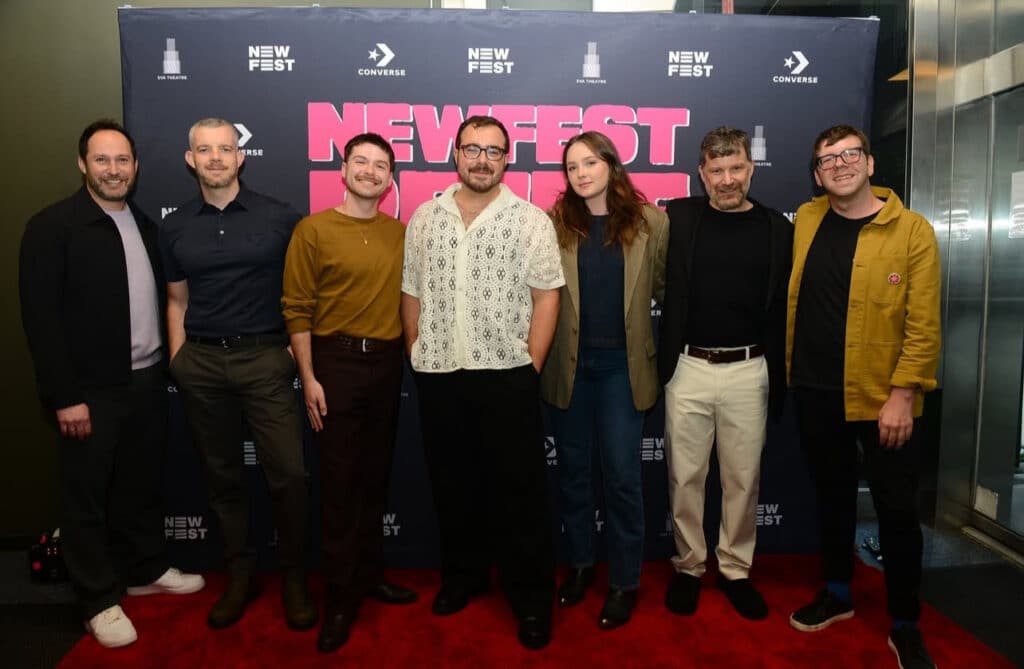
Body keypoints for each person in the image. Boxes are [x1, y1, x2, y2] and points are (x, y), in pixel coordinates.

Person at [19, 119, 204, 648]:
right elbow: (41, 322)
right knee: (86, 498)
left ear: (136, 167)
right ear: (83, 164)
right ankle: (97, 599)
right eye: (102, 159)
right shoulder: (52, 227)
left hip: (145, 380)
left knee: (138, 486)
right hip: (88, 392)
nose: (113, 169)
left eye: (122, 160)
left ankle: (144, 570)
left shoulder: (145, 225)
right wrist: (66, 397)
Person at [400, 115, 564, 650]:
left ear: (506, 159)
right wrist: (416, 349)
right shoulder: (425, 218)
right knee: (453, 486)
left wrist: (529, 366)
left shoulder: (530, 220)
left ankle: (531, 598)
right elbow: (412, 290)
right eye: (472, 149)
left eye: (493, 151)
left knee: (521, 495)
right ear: (455, 153)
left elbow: (546, 296)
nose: (482, 160)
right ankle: (463, 577)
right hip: (440, 375)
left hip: (506, 376)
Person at [786, 125, 941, 669]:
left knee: (896, 511)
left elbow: (923, 324)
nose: (840, 164)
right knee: (832, 499)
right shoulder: (808, 220)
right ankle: (838, 593)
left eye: (850, 154)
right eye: (828, 159)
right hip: (815, 390)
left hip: (884, 399)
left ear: (870, 163)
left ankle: (905, 624)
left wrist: (903, 394)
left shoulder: (912, 231)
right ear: (817, 174)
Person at [160, 118, 315, 631]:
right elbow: (177, 299)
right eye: (204, 150)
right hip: (201, 364)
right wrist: (179, 359)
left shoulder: (280, 217)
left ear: (240, 156)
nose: (215, 158)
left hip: (265, 359)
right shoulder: (176, 225)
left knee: (289, 474)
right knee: (222, 476)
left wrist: (290, 351)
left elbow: (302, 290)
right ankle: (240, 575)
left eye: (225, 149)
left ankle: (294, 577)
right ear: (191, 160)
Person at [282, 132, 418, 653]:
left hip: (385, 364)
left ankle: (371, 576)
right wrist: (309, 376)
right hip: (332, 363)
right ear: (342, 170)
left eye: (380, 165)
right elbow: (297, 307)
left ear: (390, 179)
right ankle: (339, 598)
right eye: (360, 161)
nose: (369, 171)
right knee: (339, 485)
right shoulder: (313, 230)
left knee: (374, 479)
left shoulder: (400, 233)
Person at [658, 126, 793, 621]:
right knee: (684, 476)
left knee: (743, 479)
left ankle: (735, 569)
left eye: (736, 167)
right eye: (717, 170)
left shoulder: (778, 228)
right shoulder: (678, 217)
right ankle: (689, 565)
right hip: (688, 367)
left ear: (751, 168)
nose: (728, 179)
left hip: (749, 369)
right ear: (702, 174)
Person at [540, 131, 668, 629]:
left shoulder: (650, 222)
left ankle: (624, 581)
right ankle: (579, 565)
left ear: (612, 165)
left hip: (623, 369)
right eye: (572, 167)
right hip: (569, 368)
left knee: (621, 478)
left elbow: (663, 287)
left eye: (590, 162)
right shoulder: (554, 223)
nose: (581, 173)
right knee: (573, 474)